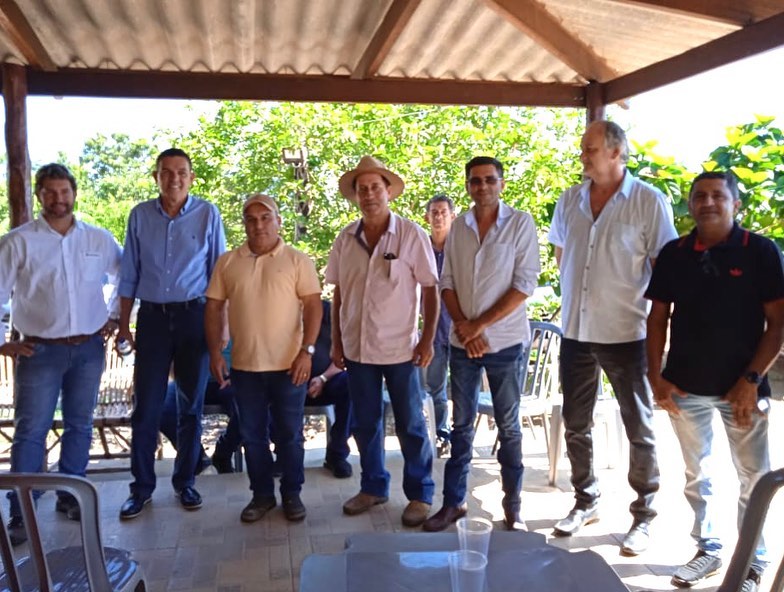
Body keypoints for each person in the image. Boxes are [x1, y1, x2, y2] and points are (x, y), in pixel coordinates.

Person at [645, 171, 784, 591]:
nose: (707, 202)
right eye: (699, 196)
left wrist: (750, 380)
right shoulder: (674, 253)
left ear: (735, 204)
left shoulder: (759, 251)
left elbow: (777, 324)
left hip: (742, 390)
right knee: (696, 474)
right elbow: (657, 320)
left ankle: (752, 562)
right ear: (690, 205)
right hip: (685, 389)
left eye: (717, 195)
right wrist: (657, 377)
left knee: (753, 478)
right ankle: (708, 549)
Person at [548, 121, 677, 555]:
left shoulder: (648, 202)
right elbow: (562, 253)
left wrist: (665, 339)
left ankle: (643, 515)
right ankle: (586, 500)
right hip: (576, 332)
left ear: (617, 153)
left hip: (626, 334)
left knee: (638, 425)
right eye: (584, 149)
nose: (583, 155)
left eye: (591, 149)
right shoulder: (570, 199)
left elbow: (666, 272)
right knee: (575, 423)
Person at [0, 163, 122, 545]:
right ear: (39, 195)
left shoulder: (99, 239)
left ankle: (71, 495)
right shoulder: (18, 241)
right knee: (31, 430)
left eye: (64, 191)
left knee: (80, 424)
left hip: (87, 349)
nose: (58, 199)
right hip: (39, 351)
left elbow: (125, 277)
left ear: (74, 193)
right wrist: (3, 342)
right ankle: (22, 509)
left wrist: (116, 317)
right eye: (50, 192)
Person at [423, 156, 540, 532]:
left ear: (502, 183)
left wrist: (478, 326)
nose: (483, 186)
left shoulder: (520, 224)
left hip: (504, 344)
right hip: (463, 344)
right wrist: (464, 327)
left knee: (508, 426)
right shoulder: (459, 227)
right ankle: (453, 503)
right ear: (468, 186)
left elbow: (524, 284)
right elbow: (447, 282)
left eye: (490, 180)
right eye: (475, 181)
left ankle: (514, 507)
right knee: (460, 426)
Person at [326, 155, 438, 528]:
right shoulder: (346, 238)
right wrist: (336, 343)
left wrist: (427, 340)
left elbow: (430, 289)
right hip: (358, 351)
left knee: (410, 423)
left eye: (376, 187)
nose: (369, 194)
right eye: (362, 189)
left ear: (388, 192)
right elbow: (339, 293)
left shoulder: (411, 235)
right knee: (364, 423)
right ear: (356, 196)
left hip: (401, 349)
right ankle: (373, 486)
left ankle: (420, 493)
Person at [118, 148, 226, 519]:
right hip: (151, 320)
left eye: (181, 172)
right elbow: (128, 273)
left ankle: (186, 483)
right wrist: (122, 323)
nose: (174, 178)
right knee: (146, 407)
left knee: (189, 406)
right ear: (156, 177)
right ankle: (141, 488)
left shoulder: (208, 213)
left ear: (191, 177)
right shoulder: (139, 216)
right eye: (167, 172)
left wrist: (220, 328)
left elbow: (219, 275)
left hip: (195, 317)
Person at [205, 194, 322, 523]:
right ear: (244, 223)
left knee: (289, 435)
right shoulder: (228, 262)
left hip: (290, 366)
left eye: (265, 217)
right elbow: (213, 307)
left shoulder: (298, 260)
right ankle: (262, 495)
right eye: (251, 218)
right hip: (245, 368)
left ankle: (292, 494)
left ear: (278, 220)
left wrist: (307, 351)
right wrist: (215, 352)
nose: (258, 224)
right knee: (252, 435)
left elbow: (313, 306)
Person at [159, 342, 240, 474]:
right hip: (191, 379)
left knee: (248, 408)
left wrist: (239, 376)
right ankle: (197, 458)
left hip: (230, 378)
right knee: (163, 408)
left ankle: (223, 453)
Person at [304, 299, 354, 478]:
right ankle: (285, 455)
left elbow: (343, 356)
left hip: (327, 380)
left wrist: (323, 378)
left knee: (351, 384)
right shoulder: (282, 311)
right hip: (292, 381)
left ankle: (337, 454)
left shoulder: (328, 312)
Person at [423, 194, 456, 458]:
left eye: (443, 212)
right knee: (435, 388)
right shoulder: (421, 248)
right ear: (427, 217)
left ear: (452, 216)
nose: (438, 217)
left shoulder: (462, 247)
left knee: (464, 387)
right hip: (433, 331)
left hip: (460, 329)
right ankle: (440, 435)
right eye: (434, 212)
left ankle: (460, 436)